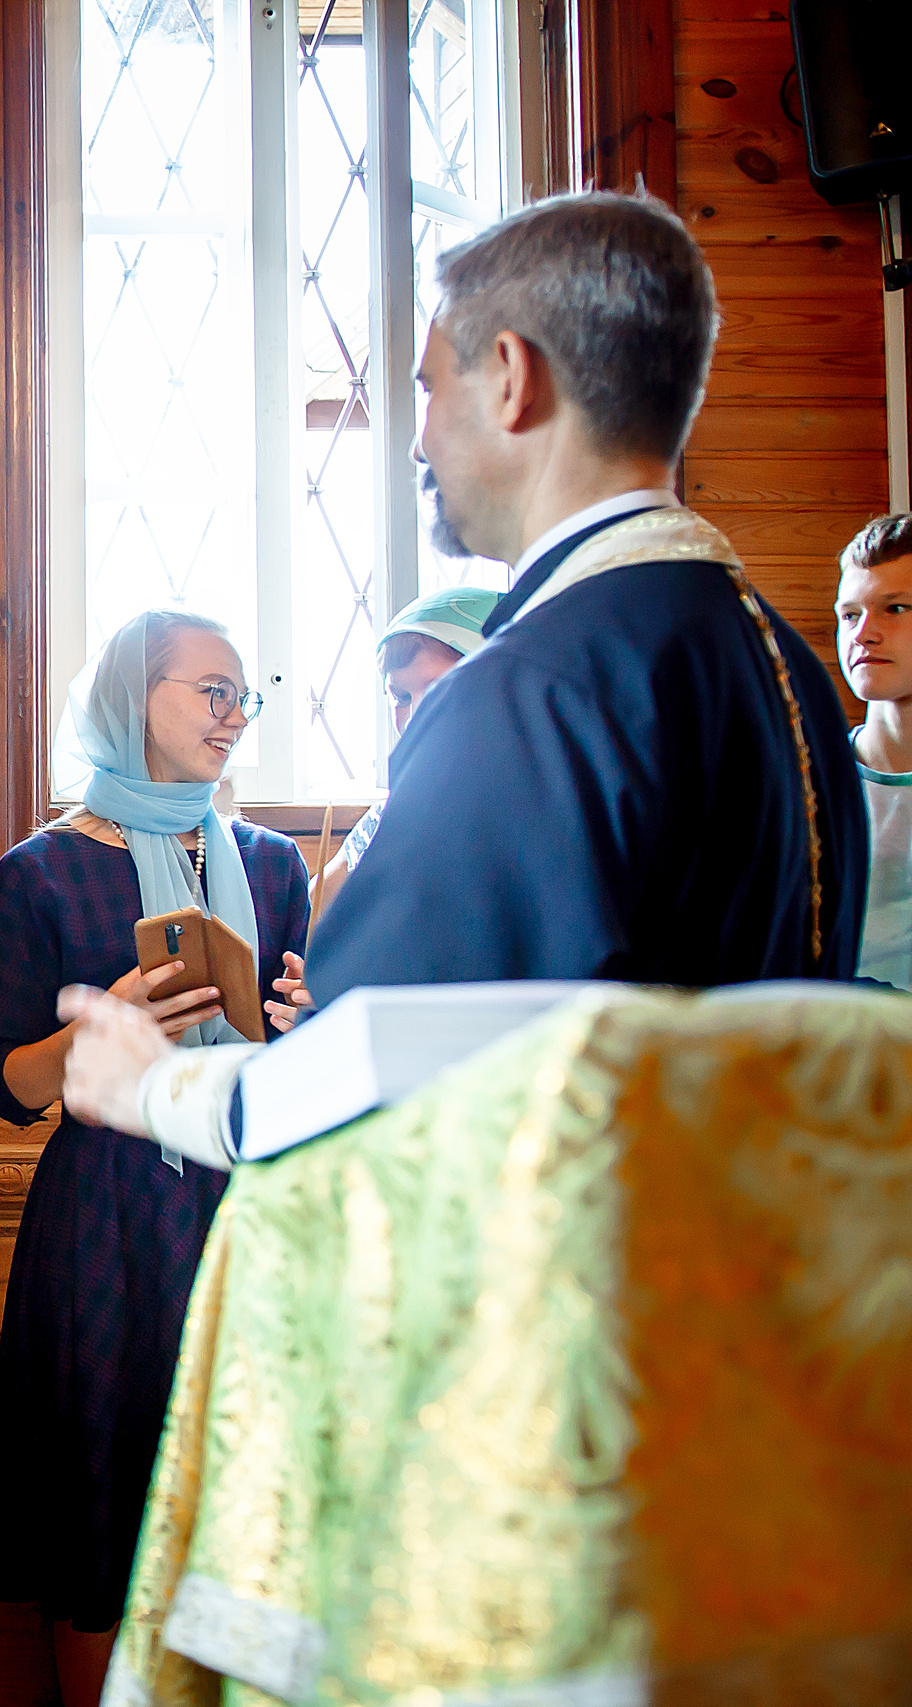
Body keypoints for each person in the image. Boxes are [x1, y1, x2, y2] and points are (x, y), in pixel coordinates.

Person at [56, 192, 868, 1159]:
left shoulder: (524, 692)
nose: (416, 439)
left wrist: (154, 1086)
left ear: (514, 376)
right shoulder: (790, 670)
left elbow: (371, 1075)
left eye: (430, 388)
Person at [0, 609, 312, 1706]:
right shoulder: (43, 871)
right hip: (110, 1216)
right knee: (102, 1524)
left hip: (242, 1197)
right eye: (207, 691)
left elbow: (292, 1060)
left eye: (241, 696)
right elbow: (9, 1088)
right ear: (131, 696)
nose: (231, 716)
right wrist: (97, 1029)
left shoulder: (268, 863)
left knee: (246, 1514)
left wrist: (303, 1020)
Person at [268, 585, 495, 1029]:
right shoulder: (390, 817)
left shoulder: (546, 803)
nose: (411, 717)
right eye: (400, 697)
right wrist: (314, 989)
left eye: (437, 689)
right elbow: (314, 930)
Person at [835, 512, 912, 989]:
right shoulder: (807, 788)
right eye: (849, 615)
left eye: (896, 608)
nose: (864, 633)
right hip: (839, 1046)